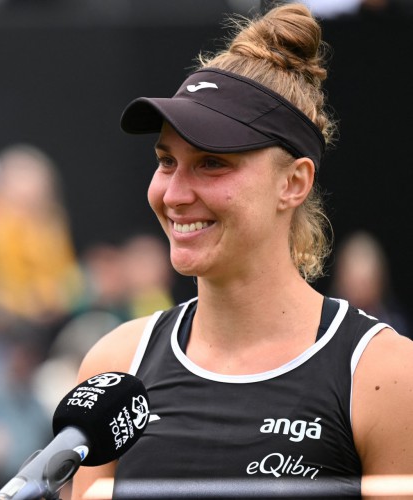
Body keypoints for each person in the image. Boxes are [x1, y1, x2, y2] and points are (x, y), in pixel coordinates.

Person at [70, 3, 413, 500]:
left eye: (211, 163)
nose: (175, 193)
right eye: (167, 161)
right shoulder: (116, 365)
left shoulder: (384, 375)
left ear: (293, 183)